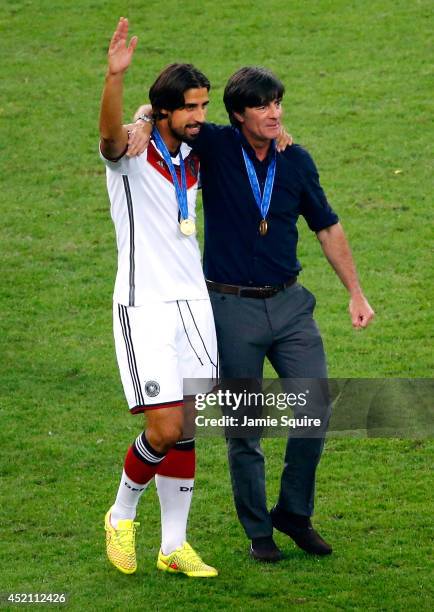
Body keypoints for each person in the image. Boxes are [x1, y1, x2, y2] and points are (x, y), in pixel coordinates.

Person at [131, 67, 374, 562]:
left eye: (278, 104)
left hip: (290, 306)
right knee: (246, 425)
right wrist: (139, 120)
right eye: (263, 106)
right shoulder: (216, 147)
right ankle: (258, 530)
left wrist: (356, 292)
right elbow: (167, 116)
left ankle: (294, 513)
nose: (275, 113)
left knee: (317, 409)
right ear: (239, 113)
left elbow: (327, 227)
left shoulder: (296, 160)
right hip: (229, 307)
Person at [99, 18, 218, 578]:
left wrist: (281, 135)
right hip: (144, 307)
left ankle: (174, 545)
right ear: (166, 110)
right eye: (191, 107)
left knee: (189, 424)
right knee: (164, 427)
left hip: (193, 306)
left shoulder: (197, 156)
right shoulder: (129, 152)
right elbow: (109, 136)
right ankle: (121, 514)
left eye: (203, 106)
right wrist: (116, 81)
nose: (200, 116)